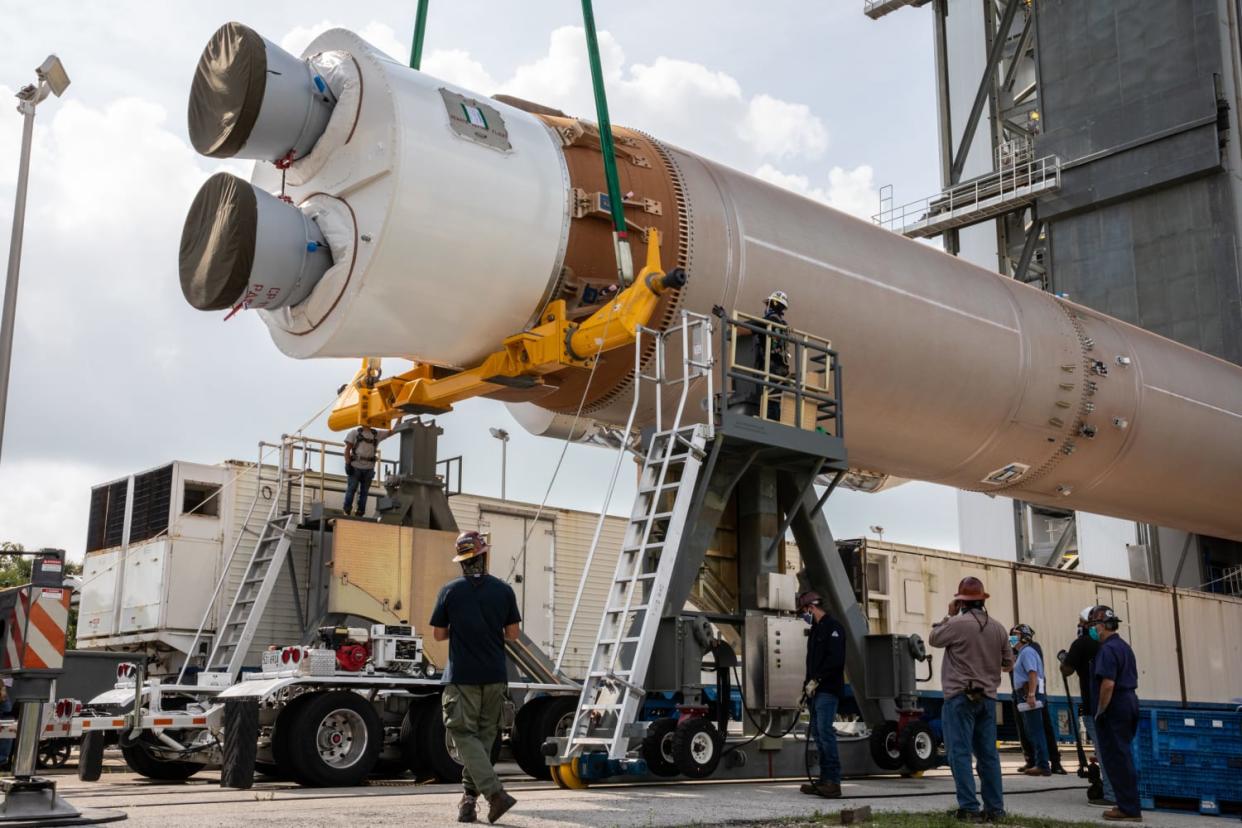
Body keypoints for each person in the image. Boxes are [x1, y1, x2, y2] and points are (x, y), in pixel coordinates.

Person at [430, 531, 522, 824]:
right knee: (483, 741)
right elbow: (513, 634)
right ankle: (468, 803)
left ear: (461, 561)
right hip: (494, 675)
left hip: (462, 676)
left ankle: (495, 794)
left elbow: (439, 634)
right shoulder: (504, 591)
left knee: (461, 734)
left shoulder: (450, 591)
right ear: (484, 555)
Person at [928, 577, 1015, 823]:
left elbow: (934, 639)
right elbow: (1009, 664)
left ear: (961, 601)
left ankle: (969, 807)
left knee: (960, 754)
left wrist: (948, 615)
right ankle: (995, 809)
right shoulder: (998, 628)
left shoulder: (956, 624)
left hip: (960, 697)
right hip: (988, 698)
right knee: (988, 756)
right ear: (982, 599)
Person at [1086, 605, 1143, 823]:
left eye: (1093, 626)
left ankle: (1128, 808)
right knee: (1123, 755)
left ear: (1101, 626)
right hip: (1128, 702)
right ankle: (1127, 804)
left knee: (1116, 758)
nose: (1092, 630)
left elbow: (1108, 684)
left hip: (1115, 705)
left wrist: (1101, 711)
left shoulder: (1107, 650)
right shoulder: (1123, 646)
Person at [1059, 606, 1115, 806]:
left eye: (1080, 622)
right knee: (1115, 749)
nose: (1078, 626)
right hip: (1114, 705)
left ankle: (1110, 794)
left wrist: (1065, 660)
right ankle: (1121, 790)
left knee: (1103, 751)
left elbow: (1067, 670)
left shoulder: (1082, 644)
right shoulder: (1113, 644)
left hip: (1095, 705)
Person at [797, 590, 846, 799]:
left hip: (827, 689)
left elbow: (835, 660)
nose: (803, 615)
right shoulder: (816, 631)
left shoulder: (834, 628)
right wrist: (805, 689)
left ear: (811, 607)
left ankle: (833, 782)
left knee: (825, 732)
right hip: (815, 691)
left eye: (804, 611)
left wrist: (817, 680)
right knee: (817, 733)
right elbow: (812, 664)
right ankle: (825, 779)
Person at [1009, 624, 1051, 776]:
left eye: (1016, 634)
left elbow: (1032, 674)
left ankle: (1042, 765)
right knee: (1031, 730)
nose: (1012, 637)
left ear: (1024, 636)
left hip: (1028, 692)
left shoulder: (1027, 652)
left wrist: (1031, 694)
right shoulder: (1022, 653)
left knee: (1036, 730)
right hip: (1025, 693)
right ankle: (1040, 763)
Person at [342, 424, 394, 516]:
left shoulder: (376, 434)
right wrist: (347, 463)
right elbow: (347, 450)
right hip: (356, 467)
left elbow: (392, 431)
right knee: (353, 489)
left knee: (362, 492)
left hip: (367, 468)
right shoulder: (354, 433)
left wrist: (399, 417)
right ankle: (347, 510)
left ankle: (359, 511)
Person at [755, 290, 791, 420]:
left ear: (773, 304)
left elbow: (749, 326)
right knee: (775, 399)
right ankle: (773, 420)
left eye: (768, 304)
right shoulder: (783, 324)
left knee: (769, 400)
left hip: (772, 368)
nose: (766, 307)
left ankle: (770, 421)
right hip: (781, 368)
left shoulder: (769, 321)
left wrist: (726, 318)